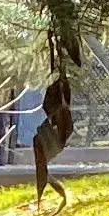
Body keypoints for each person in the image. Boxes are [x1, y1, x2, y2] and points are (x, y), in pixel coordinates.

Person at [30, 65, 77, 207]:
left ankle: (44, 195)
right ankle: (42, 196)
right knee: (41, 159)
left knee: (41, 160)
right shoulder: (56, 109)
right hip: (53, 130)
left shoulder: (61, 113)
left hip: (55, 131)